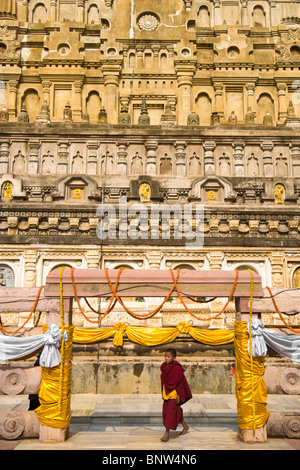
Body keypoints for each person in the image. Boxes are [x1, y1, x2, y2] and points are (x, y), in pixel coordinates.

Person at [160, 348, 192, 442]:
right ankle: (185, 426)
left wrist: (179, 394)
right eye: (165, 356)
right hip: (166, 393)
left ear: (174, 357)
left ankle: (166, 434)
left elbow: (178, 383)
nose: (166, 358)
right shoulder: (164, 366)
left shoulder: (177, 368)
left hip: (173, 395)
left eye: (168, 356)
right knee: (174, 412)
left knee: (169, 414)